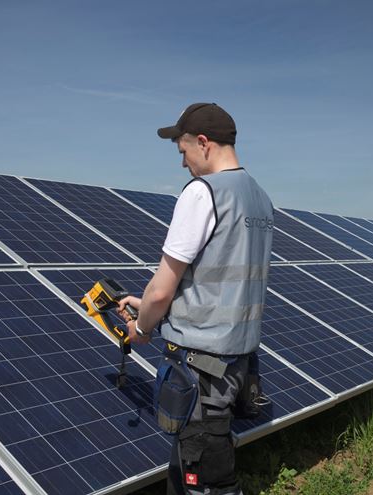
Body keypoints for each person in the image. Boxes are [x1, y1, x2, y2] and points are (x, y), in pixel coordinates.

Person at [117, 102, 274, 495]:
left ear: (203, 143)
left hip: (200, 364)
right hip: (238, 360)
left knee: (204, 479)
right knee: (194, 467)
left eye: (183, 152)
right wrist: (150, 305)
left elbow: (164, 286)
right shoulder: (259, 198)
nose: (183, 164)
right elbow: (220, 279)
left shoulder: (203, 193)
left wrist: (141, 327)